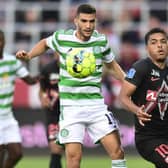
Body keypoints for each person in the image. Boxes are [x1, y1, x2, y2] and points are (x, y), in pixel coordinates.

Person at [16, 4, 127, 168]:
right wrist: (30, 55)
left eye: (92, 21)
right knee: (74, 159)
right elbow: (44, 43)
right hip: (71, 107)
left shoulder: (101, 40)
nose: (88, 25)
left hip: (96, 106)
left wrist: (129, 82)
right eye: (84, 21)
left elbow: (111, 66)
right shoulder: (62, 38)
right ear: (76, 21)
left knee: (117, 152)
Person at [119, 27, 168, 168]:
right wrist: (137, 110)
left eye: (163, 41)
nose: (159, 45)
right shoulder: (141, 68)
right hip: (149, 138)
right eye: (154, 42)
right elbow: (123, 97)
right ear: (147, 48)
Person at [0, 30, 38, 168]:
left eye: (1, 40)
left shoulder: (11, 62)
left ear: (4, 42)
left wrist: (42, 76)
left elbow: (29, 80)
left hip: (7, 117)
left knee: (17, 154)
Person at [39, 54, 63, 168]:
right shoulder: (47, 69)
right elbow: (42, 90)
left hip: (71, 113)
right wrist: (43, 98)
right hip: (53, 113)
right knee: (55, 149)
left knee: (73, 151)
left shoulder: (75, 68)